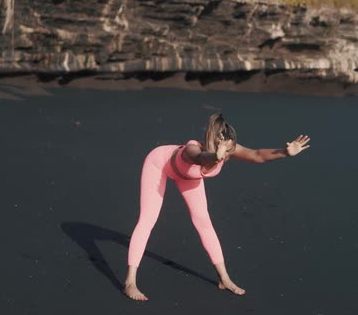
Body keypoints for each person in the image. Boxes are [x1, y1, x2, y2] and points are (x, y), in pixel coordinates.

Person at [124, 113, 311, 301]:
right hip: (159, 164)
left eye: (231, 150)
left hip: (189, 176)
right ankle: (130, 282)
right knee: (148, 219)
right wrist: (215, 156)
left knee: (203, 221)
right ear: (213, 143)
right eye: (226, 150)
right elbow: (200, 157)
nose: (228, 154)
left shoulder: (228, 149)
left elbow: (257, 155)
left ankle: (225, 279)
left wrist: (284, 152)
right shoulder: (191, 150)